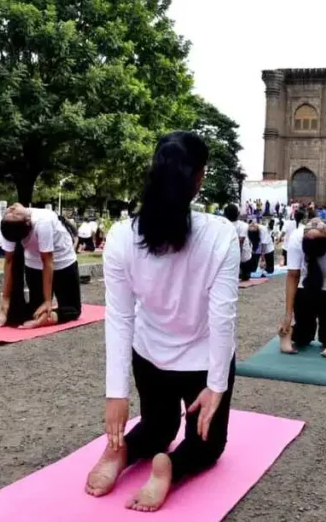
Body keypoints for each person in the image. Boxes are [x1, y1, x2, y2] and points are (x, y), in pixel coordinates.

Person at [85, 131, 238, 512]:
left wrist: (117, 395)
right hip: (202, 362)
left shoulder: (122, 235)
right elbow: (223, 318)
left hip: (149, 355)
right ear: (199, 179)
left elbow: (120, 318)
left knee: (158, 426)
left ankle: (122, 452)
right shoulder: (221, 234)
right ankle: (170, 465)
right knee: (207, 445)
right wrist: (216, 385)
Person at [0, 203, 82, 328]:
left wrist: (48, 302)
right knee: (37, 311)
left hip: (62, 260)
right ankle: (47, 316)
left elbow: (47, 261)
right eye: (14, 214)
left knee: (71, 309)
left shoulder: (41, 221)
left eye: (12, 212)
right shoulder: (10, 228)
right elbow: (9, 261)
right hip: (41, 263)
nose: (11, 209)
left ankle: (49, 315)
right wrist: (5, 302)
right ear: (27, 221)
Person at [279, 218, 326, 358]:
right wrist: (288, 316)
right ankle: (288, 332)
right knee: (303, 338)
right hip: (306, 280)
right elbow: (293, 275)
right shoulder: (296, 238)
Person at [224, 205, 253, 281]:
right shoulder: (243, 225)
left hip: (237, 254)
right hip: (240, 255)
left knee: (244, 276)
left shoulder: (224, 225)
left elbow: (240, 242)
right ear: (238, 213)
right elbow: (241, 241)